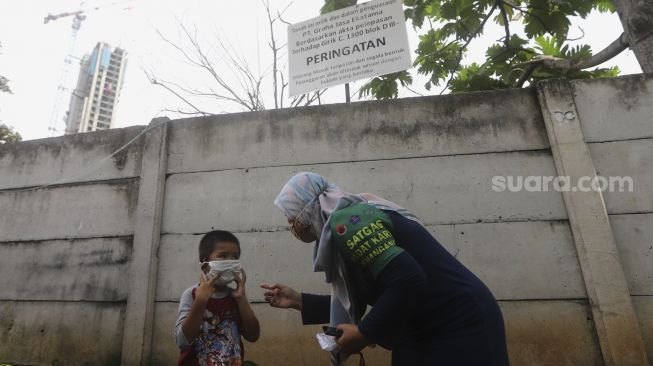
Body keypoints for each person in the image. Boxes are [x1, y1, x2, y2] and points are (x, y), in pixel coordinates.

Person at [260, 172, 510, 365]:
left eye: (291, 216)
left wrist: (364, 333)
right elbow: (367, 298)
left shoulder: (350, 222)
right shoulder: (350, 221)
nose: (292, 225)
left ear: (308, 209)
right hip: (429, 326)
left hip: (457, 325)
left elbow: (409, 280)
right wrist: (298, 300)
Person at [175, 230, 260, 366]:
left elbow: (253, 336)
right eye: (223, 256)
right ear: (205, 264)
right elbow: (182, 342)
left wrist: (242, 300)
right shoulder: (191, 294)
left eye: (235, 257)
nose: (230, 261)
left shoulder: (237, 296)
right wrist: (200, 301)